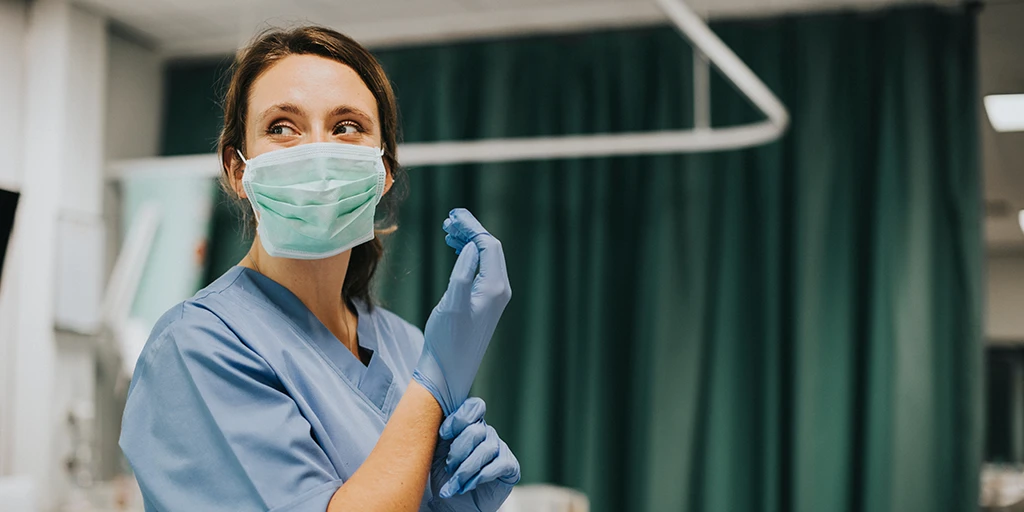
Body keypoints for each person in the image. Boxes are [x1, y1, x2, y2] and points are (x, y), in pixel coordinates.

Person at [119, 26, 519, 512]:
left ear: (383, 171)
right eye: (282, 127)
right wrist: (434, 382)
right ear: (237, 170)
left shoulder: (407, 346)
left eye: (347, 126)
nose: (317, 152)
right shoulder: (196, 348)